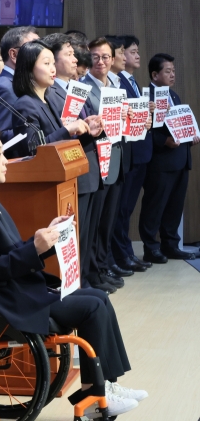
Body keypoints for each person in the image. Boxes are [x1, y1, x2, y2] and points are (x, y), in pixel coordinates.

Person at [0, 124, 148, 419]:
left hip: (9, 287)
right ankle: (97, 391)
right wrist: (35, 249)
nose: (5, 160)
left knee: (97, 297)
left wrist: (46, 240)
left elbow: (10, 252)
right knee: (91, 305)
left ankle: (105, 386)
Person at [41, 33, 116, 297]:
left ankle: (86, 280)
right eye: (69, 54)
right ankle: (79, 284)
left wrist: (93, 125)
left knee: (88, 233)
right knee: (77, 236)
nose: (75, 59)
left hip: (88, 166)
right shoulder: (50, 94)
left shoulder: (73, 88)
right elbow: (59, 133)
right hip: (72, 170)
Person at [139, 53, 199, 262]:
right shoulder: (146, 97)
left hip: (181, 159)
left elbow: (180, 123)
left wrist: (191, 135)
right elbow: (144, 131)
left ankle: (171, 245)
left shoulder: (173, 96)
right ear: (155, 74)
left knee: (175, 207)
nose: (172, 75)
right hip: (161, 162)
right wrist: (164, 141)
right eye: (168, 71)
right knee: (155, 206)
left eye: (173, 71)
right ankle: (151, 247)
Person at [80, 37, 126, 293]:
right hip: (96, 160)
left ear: (112, 58)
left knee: (107, 221)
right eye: (96, 57)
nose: (101, 61)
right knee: (94, 224)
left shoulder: (116, 86)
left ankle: (100, 268)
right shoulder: (82, 87)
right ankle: (91, 275)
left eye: (106, 57)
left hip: (115, 158)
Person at [111, 35, 154, 272]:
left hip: (139, 152)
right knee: (121, 209)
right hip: (128, 152)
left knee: (126, 209)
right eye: (132, 51)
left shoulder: (132, 81)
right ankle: (121, 254)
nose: (137, 55)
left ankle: (126, 252)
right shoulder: (117, 82)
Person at [9, 40, 92, 158]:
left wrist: (88, 131)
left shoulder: (48, 100)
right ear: (29, 67)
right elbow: (33, 149)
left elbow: (62, 142)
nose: (53, 69)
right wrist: (67, 129)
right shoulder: (25, 104)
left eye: (53, 63)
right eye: (47, 63)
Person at [0, 26, 38, 144]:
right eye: (33, 48)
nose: (40, 53)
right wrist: (40, 129)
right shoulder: (4, 87)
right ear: (14, 55)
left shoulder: (22, 82)